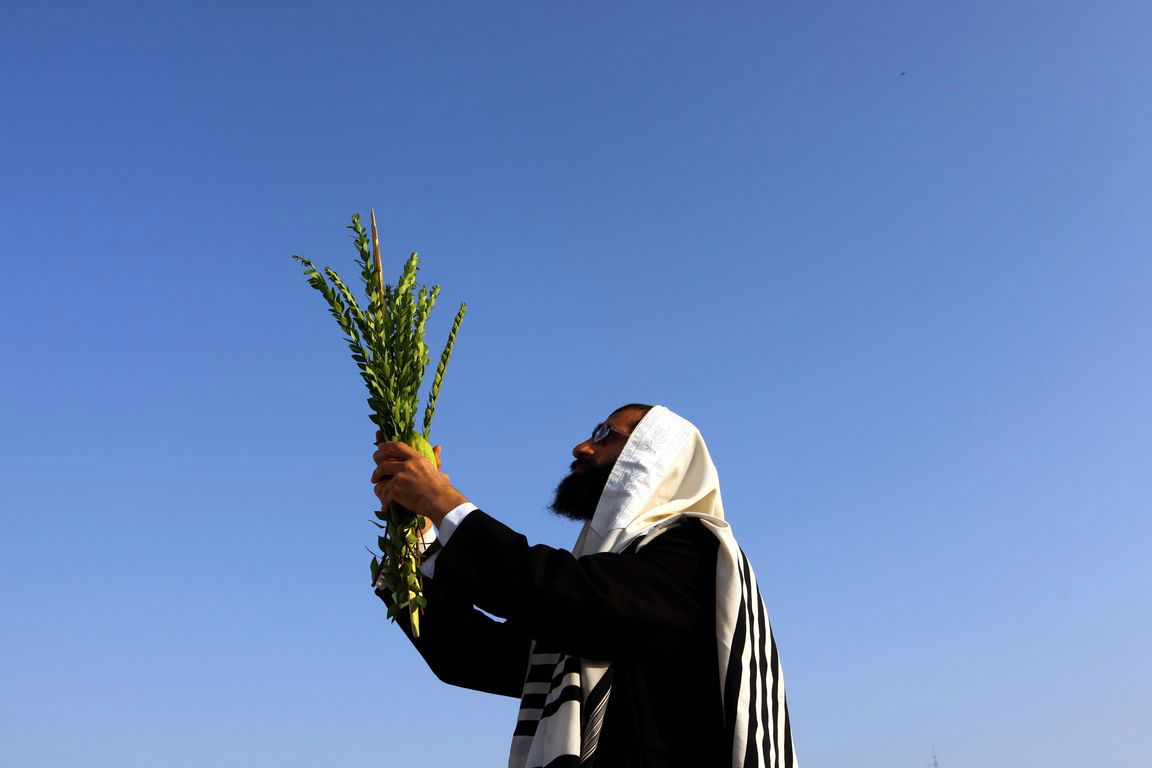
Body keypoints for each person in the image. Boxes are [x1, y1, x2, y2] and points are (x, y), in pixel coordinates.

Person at [370, 404, 796, 768]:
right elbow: (476, 657)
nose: (582, 447)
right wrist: (417, 542)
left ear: (656, 456)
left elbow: (568, 596)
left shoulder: (693, 551)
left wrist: (443, 501)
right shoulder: (597, 590)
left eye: (605, 434)